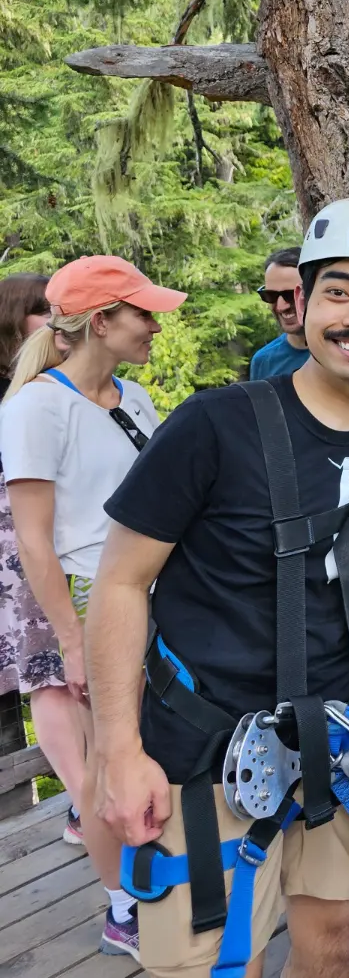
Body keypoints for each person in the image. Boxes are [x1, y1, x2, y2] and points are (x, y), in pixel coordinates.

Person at [86, 198, 349, 978]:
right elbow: (120, 582)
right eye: (339, 291)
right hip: (202, 747)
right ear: (303, 301)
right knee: (210, 962)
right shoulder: (214, 426)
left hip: (337, 744)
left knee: (339, 941)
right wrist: (118, 747)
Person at [1, 256, 182, 959]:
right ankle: (122, 908)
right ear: (100, 321)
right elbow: (36, 542)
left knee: (148, 753)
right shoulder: (36, 409)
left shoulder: (133, 399)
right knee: (104, 765)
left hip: (152, 594)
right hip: (87, 596)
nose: (154, 326)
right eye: (142, 313)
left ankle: (160, 884)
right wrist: (72, 642)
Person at [0, 273, 82, 841]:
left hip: (62, 541)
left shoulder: (53, 384)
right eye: (45, 312)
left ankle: (88, 800)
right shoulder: (20, 393)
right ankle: (87, 801)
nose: (58, 323)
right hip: (19, 550)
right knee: (49, 679)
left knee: (77, 678)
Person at [249, 247, 311, 380]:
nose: (281, 306)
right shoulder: (263, 362)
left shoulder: (348, 352)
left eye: (291, 295)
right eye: (270, 295)